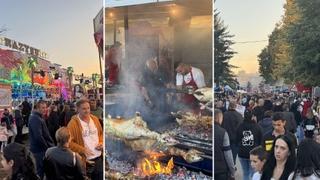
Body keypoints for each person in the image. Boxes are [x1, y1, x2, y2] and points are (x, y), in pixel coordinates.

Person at [67, 99, 103, 180]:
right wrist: (82, 149)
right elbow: (69, 142)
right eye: (84, 109)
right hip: (85, 161)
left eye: (88, 108)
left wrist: (101, 143)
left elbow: (100, 134)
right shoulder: (72, 124)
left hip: (98, 158)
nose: (87, 111)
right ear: (78, 109)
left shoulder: (95, 119)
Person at [28, 100, 55, 179]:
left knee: (43, 169)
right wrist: (46, 147)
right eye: (42, 108)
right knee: (40, 171)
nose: (45, 109)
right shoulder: (35, 118)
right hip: (39, 150)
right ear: (37, 108)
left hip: (40, 149)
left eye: (45, 107)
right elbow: (38, 136)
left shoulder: (37, 117)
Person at [236, 110, 263, 180]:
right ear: (252, 117)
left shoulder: (240, 126)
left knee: (245, 173)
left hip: (242, 153)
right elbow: (261, 140)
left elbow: (237, 139)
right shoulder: (257, 127)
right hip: (254, 153)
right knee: (253, 173)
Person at [214, 109, 235, 180]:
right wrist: (232, 171)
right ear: (219, 118)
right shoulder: (223, 132)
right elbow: (228, 154)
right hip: (220, 170)